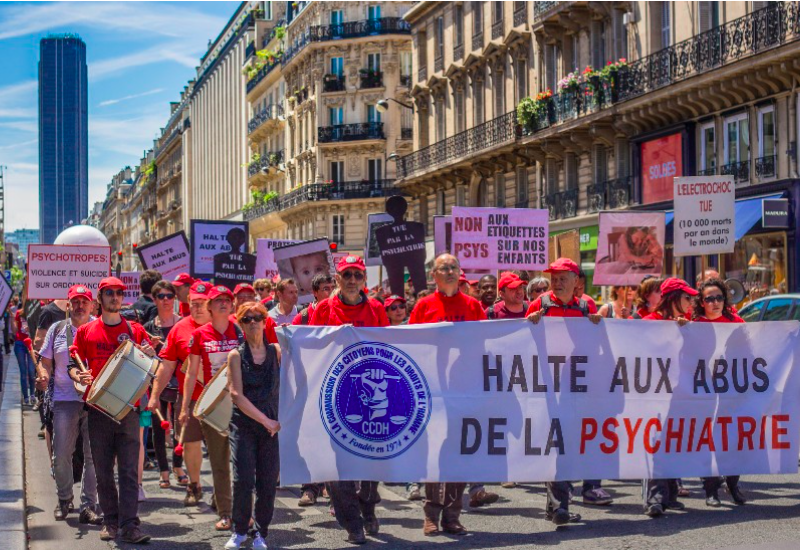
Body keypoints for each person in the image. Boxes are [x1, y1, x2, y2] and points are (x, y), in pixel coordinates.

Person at [309, 254, 389, 545]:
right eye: (347, 275)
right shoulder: (323, 309)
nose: (352, 280)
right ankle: (353, 524)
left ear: (364, 279)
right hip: (335, 396)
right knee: (338, 464)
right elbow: (312, 348)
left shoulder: (377, 309)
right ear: (337, 279)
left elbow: (387, 348)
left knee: (371, 460)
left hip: (373, 394)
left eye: (357, 275)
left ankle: (368, 505)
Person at [70, 277, 155, 544]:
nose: (115, 297)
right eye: (109, 293)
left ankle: (131, 526)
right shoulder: (86, 331)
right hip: (98, 410)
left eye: (119, 293)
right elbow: (73, 364)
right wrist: (77, 377)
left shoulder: (136, 330)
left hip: (128, 410)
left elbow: (149, 367)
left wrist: (150, 355)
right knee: (104, 471)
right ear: (100, 298)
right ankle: (111, 521)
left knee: (129, 471)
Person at [409, 253, 489, 536]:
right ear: (434, 275)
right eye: (445, 267)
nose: (451, 271)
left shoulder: (473, 306)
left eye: (455, 267)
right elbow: (412, 345)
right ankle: (431, 513)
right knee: (434, 454)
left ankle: (452, 515)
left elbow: (485, 344)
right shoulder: (423, 306)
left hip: (464, 390)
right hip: (433, 392)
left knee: (459, 453)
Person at [526, 258, 606, 522]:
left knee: (569, 445)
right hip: (548, 387)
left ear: (576, 282)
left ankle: (556, 506)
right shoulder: (540, 304)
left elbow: (597, 347)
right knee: (555, 445)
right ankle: (561, 506)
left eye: (563, 279)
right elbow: (523, 341)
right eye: (554, 278)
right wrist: (531, 323)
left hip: (576, 387)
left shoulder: (586, 306)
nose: (557, 283)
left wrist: (597, 326)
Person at [38, 285, 101, 525]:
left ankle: (89, 505)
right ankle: (64, 498)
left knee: (92, 455)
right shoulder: (57, 330)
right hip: (64, 400)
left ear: (92, 305)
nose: (80, 305)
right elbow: (45, 362)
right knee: (61, 454)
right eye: (75, 301)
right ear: (68, 304)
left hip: (95, 400)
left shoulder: (99, 327)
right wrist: (43, 374)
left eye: (84, 301)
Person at [181, 285, 241, 531]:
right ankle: (226, 513)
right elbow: (191, 372)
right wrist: (185, 407)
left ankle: (230, 503)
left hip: (240, 404)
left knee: (240, 462)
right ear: (210, 307)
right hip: (213, 405)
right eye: (218, 301)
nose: (223, 303)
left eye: (227, 299)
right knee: (219, 460)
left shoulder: (240, 330)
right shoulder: (200, 335)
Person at [224, 302, 282, 550]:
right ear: (240, 324)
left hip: (270, 426)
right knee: (243, 479)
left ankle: (261, 532)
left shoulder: (277, 351)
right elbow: (236, 395)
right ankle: (239, 530)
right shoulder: (236, 355)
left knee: (268, 482)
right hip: (244, 425)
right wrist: (266, 420)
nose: (253, 322)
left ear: (266, 320)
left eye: (258, 317)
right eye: (247, 319)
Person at [148, 281, 211, 507]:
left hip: (221, 400)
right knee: (190, 444)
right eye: (193, 303)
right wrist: (155, 395)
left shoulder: (227, 325)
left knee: (221, 447)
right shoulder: (180, 329)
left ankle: (224, 492)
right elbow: (166, 366)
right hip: (189, 398)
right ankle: (194, 485)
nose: (198, 308)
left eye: (202, 303)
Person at [640, 277, 695, 517]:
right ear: (674, 299)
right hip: (654, 393)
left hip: (679, 393)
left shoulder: (688, 323)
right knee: (655, 444)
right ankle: (654, 498)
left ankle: (670, 495)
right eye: (687, 297)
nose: (691, 302)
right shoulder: (649, 322)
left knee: (673, 441)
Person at [692, 278, 747, 507]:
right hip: (704, 391)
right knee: (708, 440)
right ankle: (710, 489)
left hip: (730, 390)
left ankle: (733, 483)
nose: (715, 302)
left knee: (732, 437)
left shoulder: (736, 322)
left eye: (719, 297)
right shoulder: (694, 324)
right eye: (709, 298)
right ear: (701, 302)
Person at [293, 273, 336, 508]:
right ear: (316, 292)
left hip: (335, 384)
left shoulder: (339, 312)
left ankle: (333, 490)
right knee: (310, 438)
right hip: (311, 383)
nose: (330, 292)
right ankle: (309, 489)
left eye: (332, 287)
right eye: (325, 288)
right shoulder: (304, 316)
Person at [142, 280, 185, 490]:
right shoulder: (148, 328)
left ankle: (178, 467)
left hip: (180, 385)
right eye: (161, 296)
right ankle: (164, 472)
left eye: (170, 296)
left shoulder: (183, 324)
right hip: (157, 385)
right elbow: (141, 358)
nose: (166, 300)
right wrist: (148, 352)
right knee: (159, 428)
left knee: (181, 428)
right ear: (154, 299)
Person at [13, 301, 35, 405]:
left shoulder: (35, 312)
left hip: (31, 343)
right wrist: (11, 320)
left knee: (31, 371)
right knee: (23, 371)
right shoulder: (19, 313)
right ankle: (26, 396)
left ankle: (32, 394)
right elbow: (15, 330)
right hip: (20, 343)